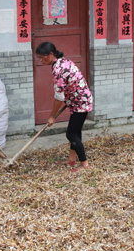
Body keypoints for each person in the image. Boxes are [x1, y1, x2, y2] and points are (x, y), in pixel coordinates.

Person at [35, 41, 93, 172]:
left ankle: (85, 164)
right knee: (75, 132)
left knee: (71, 134)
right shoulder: (62, 61)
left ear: (50, 54)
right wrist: (69, 97)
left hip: (81, 102)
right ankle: (72, 159)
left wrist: (51, 117)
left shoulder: (58, 70)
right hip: (77, 100)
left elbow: (58, 97)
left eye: (41, 57)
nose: (40, 60)